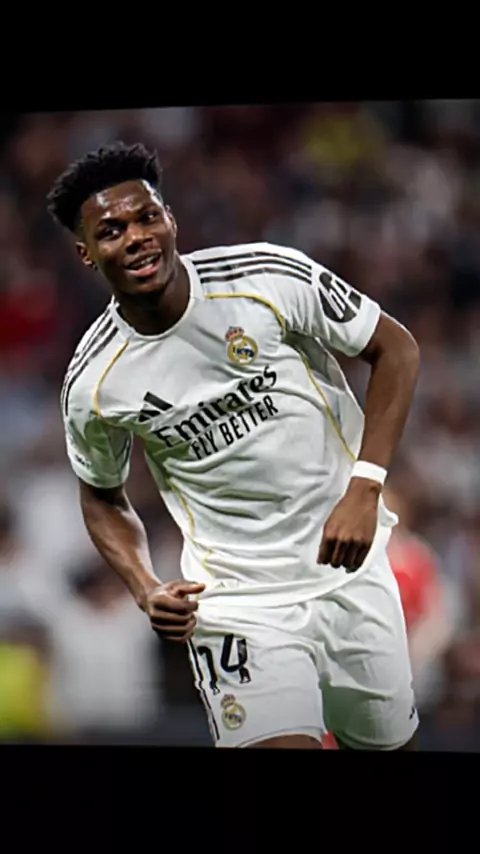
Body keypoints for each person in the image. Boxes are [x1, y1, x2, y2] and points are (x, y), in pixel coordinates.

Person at [47, 141, 421, 750]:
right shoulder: (94, 381)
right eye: (112, 231)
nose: (137, 238)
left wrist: (365, 485)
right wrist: (145, 586)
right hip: (235, 601)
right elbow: (101, 496)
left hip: (350, 571)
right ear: (86, 253)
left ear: (171, 220)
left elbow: (395, 349)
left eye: (147, 217)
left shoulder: (265, 277)